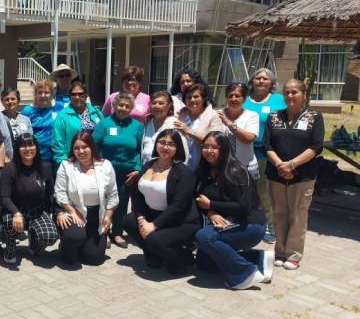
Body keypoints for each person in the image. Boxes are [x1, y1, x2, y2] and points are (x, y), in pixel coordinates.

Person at [194, 132, 273, 289]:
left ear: (223, 149)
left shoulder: (235, 171)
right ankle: (258, 259)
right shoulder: (206, 169)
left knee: (205, 238)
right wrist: (211, 212)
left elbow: (244, 207)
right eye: (205, 146)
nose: (208, 150)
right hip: (230, 221)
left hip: (250, 224)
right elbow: (197, 195)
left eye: (214, 147)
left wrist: (211, 205)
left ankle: (246, 274)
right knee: (204, 262)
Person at [263, 79, 324, 271]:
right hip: (276, 174)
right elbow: (267, 145)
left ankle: (293, 254)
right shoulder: (274, 117)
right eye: (287, 92)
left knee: (298, 215)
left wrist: (291, 165)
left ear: (304, 94)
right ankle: (280, 251)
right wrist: (280, 165)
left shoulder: (315, 117)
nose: (290, 96)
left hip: (303, 176)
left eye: (294, 92)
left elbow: (316, 147)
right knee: (279, 213)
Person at [124, 129, 200, 274]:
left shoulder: (183, 172)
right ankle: (153, 254)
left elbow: (179, 206)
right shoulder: (149, 164)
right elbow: (138, 194)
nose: (165, 147)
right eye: (162, 142)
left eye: (171, 144)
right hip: (154, 216)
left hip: (180, 222)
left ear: (177, 148)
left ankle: (185, 258)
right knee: (128, 221)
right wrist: (141, 219)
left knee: (154, 239)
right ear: (156, 144)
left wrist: (153, 225)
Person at [55, 132, 118, 265]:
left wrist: (108, 215)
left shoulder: (105, 165)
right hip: (76, 213)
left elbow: (113, 194)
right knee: (72, 248)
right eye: (76, 148)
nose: (81, 151)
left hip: (97, 216)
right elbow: (59, 193)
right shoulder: (66, 166)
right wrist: (71, 211)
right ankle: (67, 246)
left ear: (92, 147)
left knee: (94, 259)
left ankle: (87, 243)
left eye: (85, 147)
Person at [93, 92, 143, 248]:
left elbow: (140, 150)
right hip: (106, 171)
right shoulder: (104, 124)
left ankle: (117, 232)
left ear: (131, 109)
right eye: (120, 105)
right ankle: (104, 231)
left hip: (127, 173)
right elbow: (94, 146)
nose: (123, 108)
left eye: (127, 106)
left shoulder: (137, 126)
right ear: (114, 106)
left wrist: (137, 168)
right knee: (104, 201)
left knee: (121, 202)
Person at [0, 133, 58, 264]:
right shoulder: (10, 169)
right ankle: (10, 248)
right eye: (23, 146)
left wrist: (49, 215)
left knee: (50, 235)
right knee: (10, 222)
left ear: (36, 147)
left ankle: (34, 243)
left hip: (37, 212)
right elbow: (4, 197)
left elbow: (50, 194)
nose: (28, 149)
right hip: (15, 210)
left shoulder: (45, 167)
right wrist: (16, 212)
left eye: (31, 145)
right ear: (17, 149)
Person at [243, 68, 286, 244]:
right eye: (258, 78)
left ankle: (271, 227)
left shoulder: (278, 100)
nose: (261, 81)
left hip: (267, 153)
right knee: (245, 190)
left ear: (271, 82)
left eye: (265, 79)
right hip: (243, 151)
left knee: (265, 192)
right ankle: (246, 223)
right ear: (252, 81)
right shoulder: (244, 100)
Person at [52, 81, 103, 171]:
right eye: (74, 94)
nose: (77, 97)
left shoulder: (96, 112)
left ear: (86, 95)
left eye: (80, 94)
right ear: (70, 96)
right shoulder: (63, 116)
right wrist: (63, 163)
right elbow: (57, 142)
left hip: (95, 162)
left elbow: (104, 133)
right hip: (73, 164)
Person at [174, 83, 224, 171]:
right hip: (182, 165)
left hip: (204, 166)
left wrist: (188, 130)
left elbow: (216, 142)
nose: (192, 100)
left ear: (204, 98)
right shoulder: (182, 114)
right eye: (189, 97)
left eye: (196, 97)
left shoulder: (213, 115)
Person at [217, 83, 259, 178]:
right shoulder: (217, 115)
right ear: (226, 98)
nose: (233, 99)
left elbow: (248, 139)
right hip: (222, 166)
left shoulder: (252, 115)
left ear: (244, 99)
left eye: (237, 96)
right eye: (230, 96)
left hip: (246, 167)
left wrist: (229, 124)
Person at [21, 79, 63, 163]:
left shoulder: (59, 107)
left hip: (56, 155)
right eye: (40, 92)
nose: (43, 95)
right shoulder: (27, 111)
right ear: (35, 94)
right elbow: (22, 134)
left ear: (52, 94)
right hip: (35, 157)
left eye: (46, 92)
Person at [141, 91, 184, 166]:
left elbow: (181, 153)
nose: (156, 106)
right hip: (147, 171)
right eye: (154, 103)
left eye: (161, 103)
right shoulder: (147, 123)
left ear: (169, 106)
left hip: (167, 171)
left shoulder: (175, 125)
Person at [0, 88, 32, 164]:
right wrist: (2, 157)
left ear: (18, 101)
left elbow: (30, 141)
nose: (10, 102)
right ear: (2, 102)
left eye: (13, 99)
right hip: (5, 162)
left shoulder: (26, 119)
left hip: (23, 162)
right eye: (6, 99)